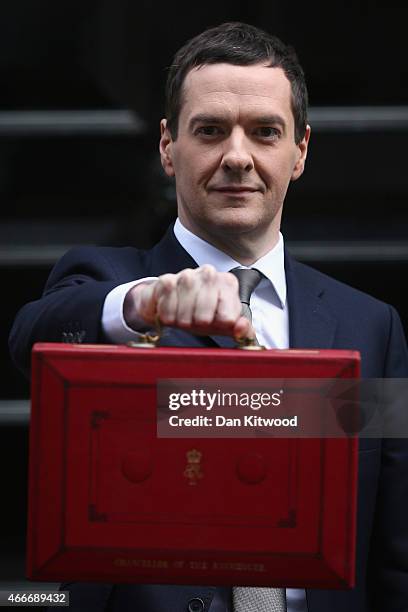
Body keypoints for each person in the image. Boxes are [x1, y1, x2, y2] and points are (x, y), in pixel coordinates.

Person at [9, 21, 408, 612]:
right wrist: (148, 302)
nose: (238, 157)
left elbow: (395, 553)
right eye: (211, 130)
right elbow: (32, 338)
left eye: (266, 132)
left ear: (300, 151)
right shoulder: (105, 282)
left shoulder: (371, 328)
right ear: (169, 147)